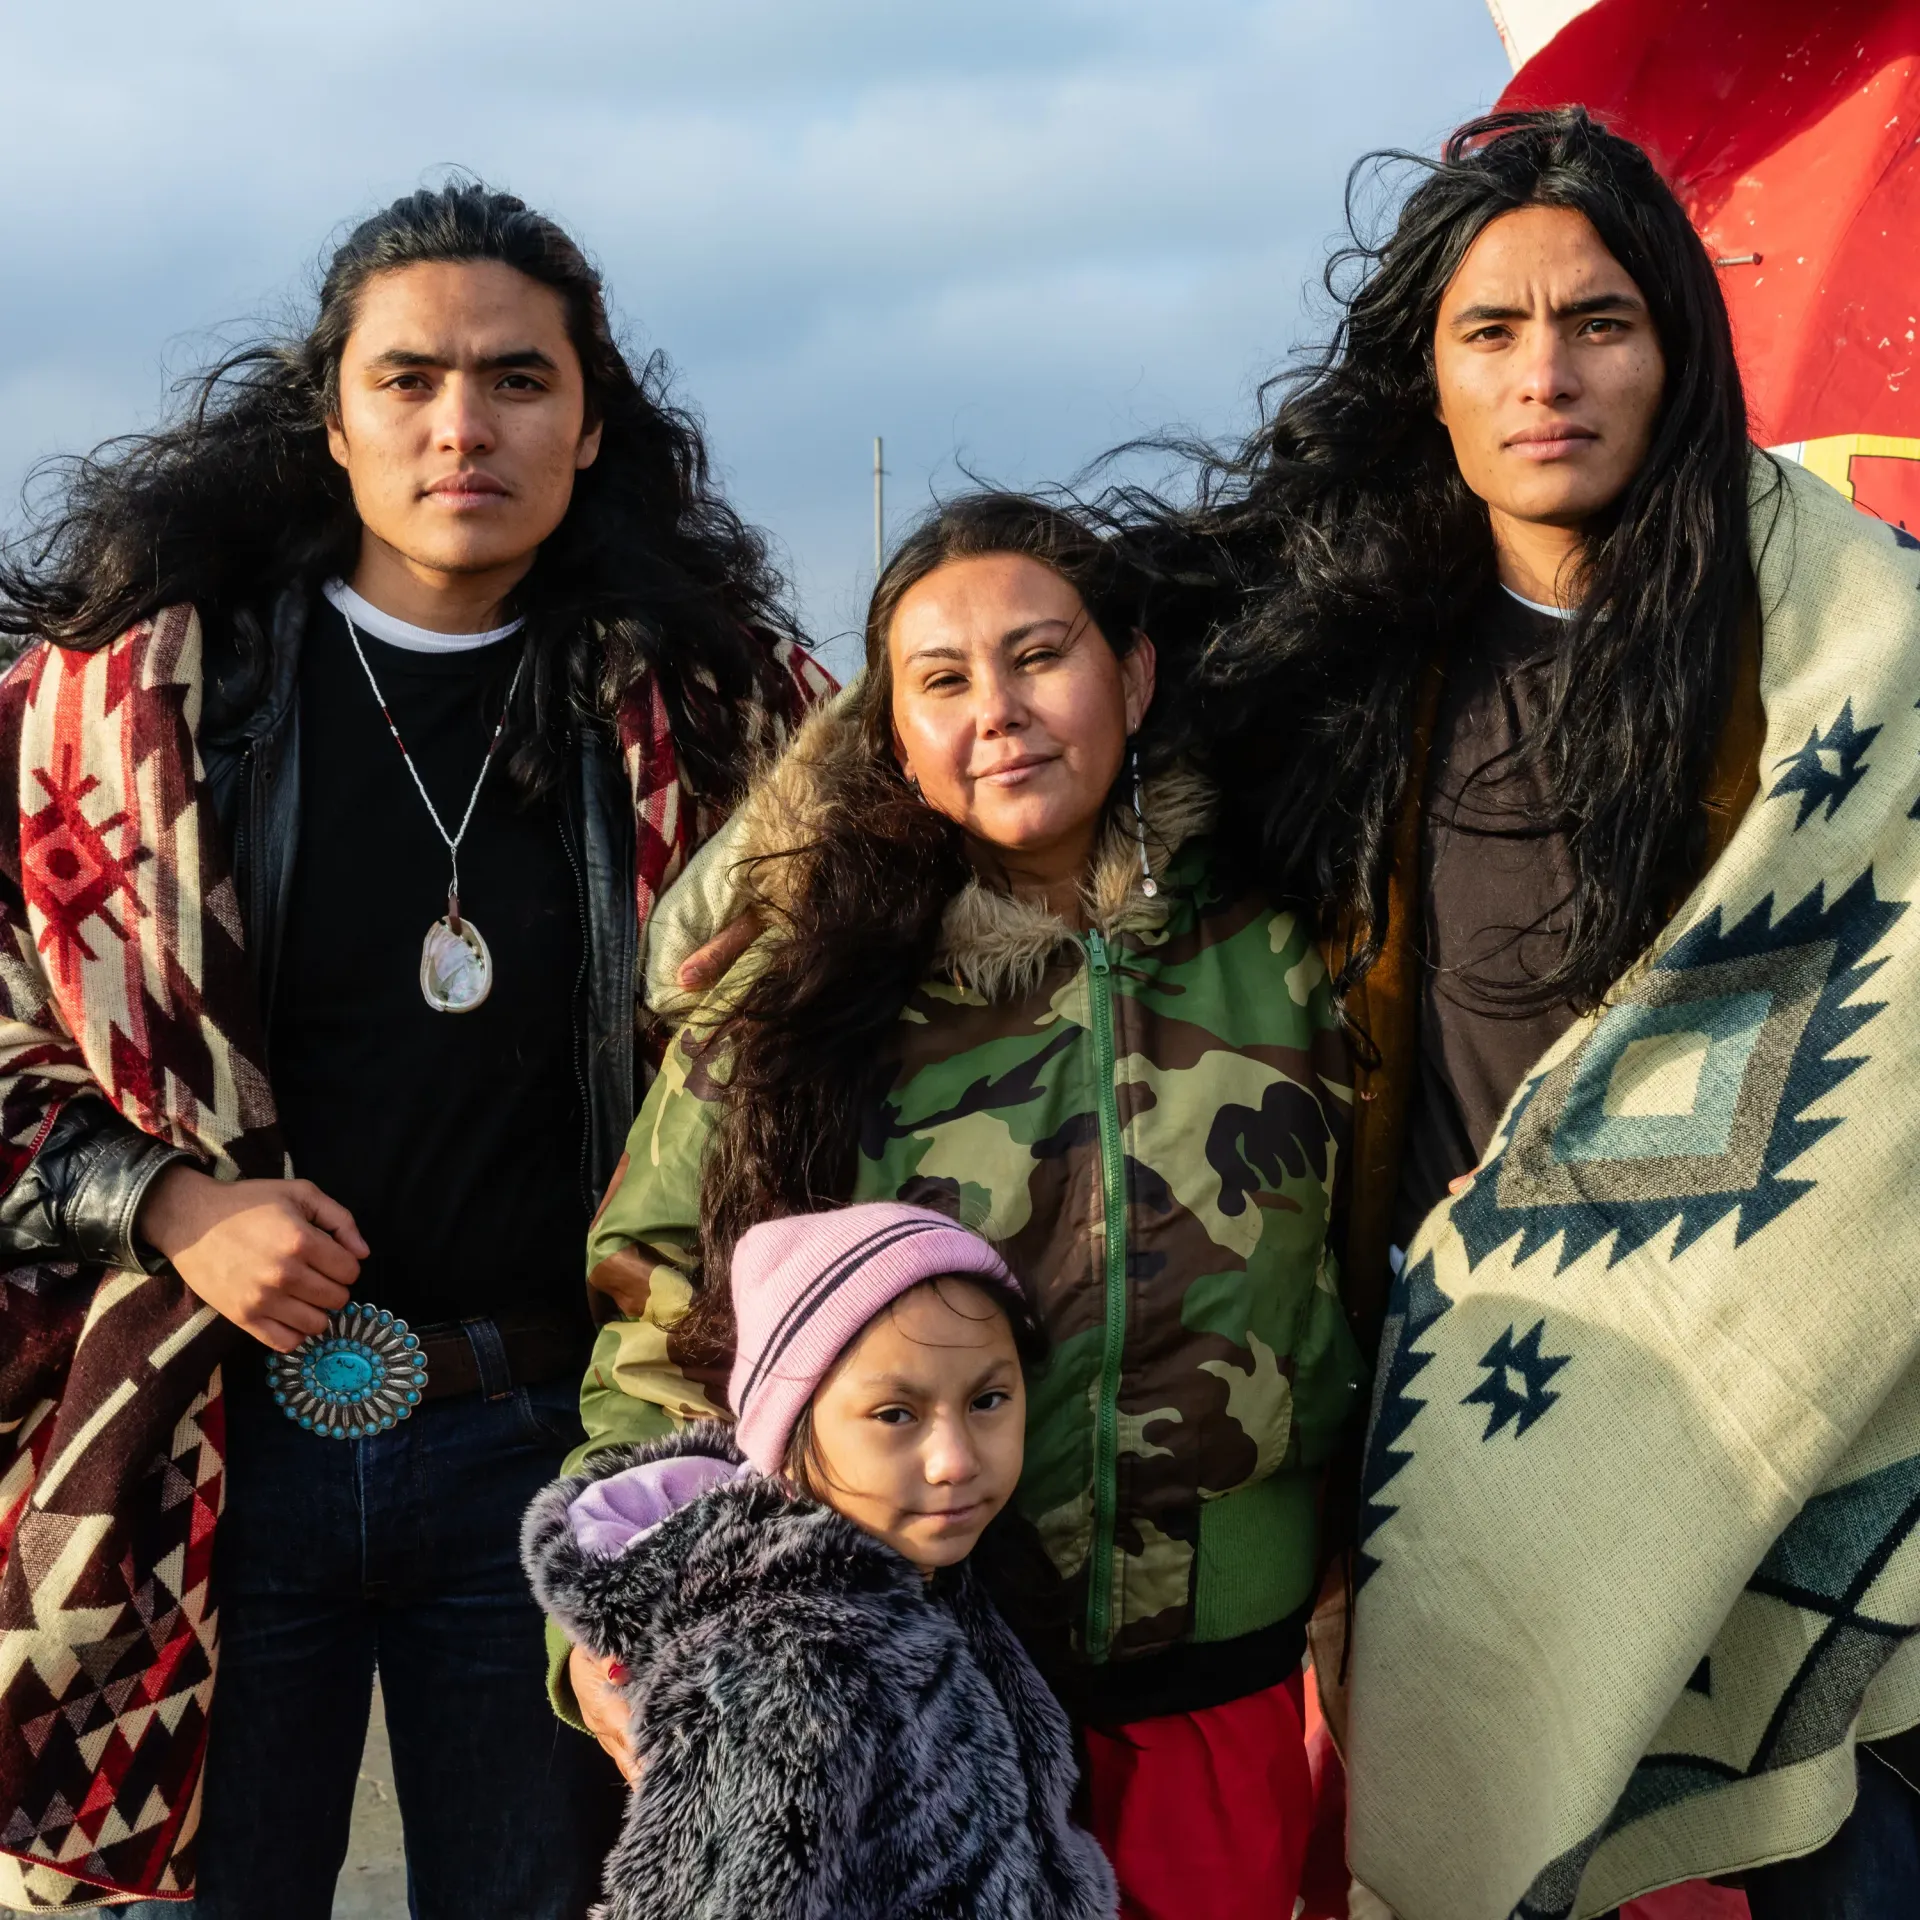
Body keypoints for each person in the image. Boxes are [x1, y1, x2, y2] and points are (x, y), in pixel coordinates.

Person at [0, 182, 828, 1918]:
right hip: (209, 1447)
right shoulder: (122, 711)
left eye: (521, 380)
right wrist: (162, 1201)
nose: (466, 424)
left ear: (591, 425)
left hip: (561, 1443)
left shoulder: (726, 715)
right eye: (412, 379)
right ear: (333, 419)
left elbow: (862, 1009)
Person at [1166, 108, 1920, 1917]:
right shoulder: (1328, 672)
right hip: (1492, 1438)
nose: (1547, 376)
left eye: (1599, 322)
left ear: (1678, 344)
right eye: (1489, 332)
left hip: (1819, 1414)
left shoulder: (1842, 649)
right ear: (1424, 373)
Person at [559, 492, 1366, 1920]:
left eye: (1040, 656)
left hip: (1218, 1691)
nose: (997, 711)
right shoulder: (797, 996)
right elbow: (658, 1317)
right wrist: (607, 1636)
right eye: (941, 681)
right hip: (917, 1698)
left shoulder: (1294, 949)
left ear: (1136, 671)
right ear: (894, 731)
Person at [523, 1201, 1118, 1920]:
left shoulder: (942, 1577)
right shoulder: (788, 1666)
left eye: (989, 1400)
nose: (955, 1460)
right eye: (896, 1414)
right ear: (789, 1425)